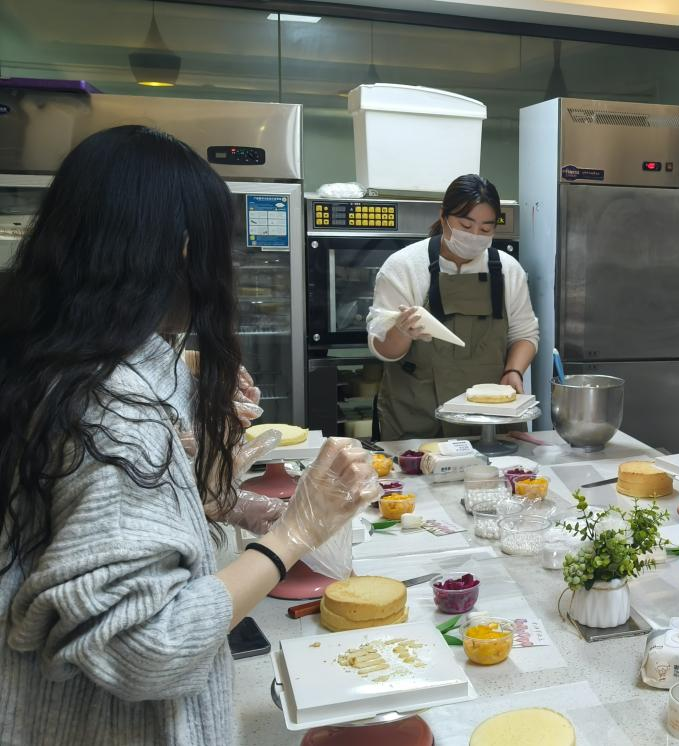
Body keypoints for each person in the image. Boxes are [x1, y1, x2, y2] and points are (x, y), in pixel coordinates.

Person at [0, 125, 379, 746]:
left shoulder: (44, 358)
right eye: (213, 245)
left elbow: (86, 530)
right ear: (176, 249)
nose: (219, 267)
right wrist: (294, 533)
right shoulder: (113, 409)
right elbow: (150, 647)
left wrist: (210, 496)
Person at [368, 174, 539, 440]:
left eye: (486, 229)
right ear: (443, 216)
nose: (474, 236)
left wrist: (513, 371)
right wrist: (401, 332)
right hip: (418, 416)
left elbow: (525, 334)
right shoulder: (404, 267)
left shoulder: (508, 269)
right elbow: (383, 349)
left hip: (490, 420)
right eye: (465, 225)